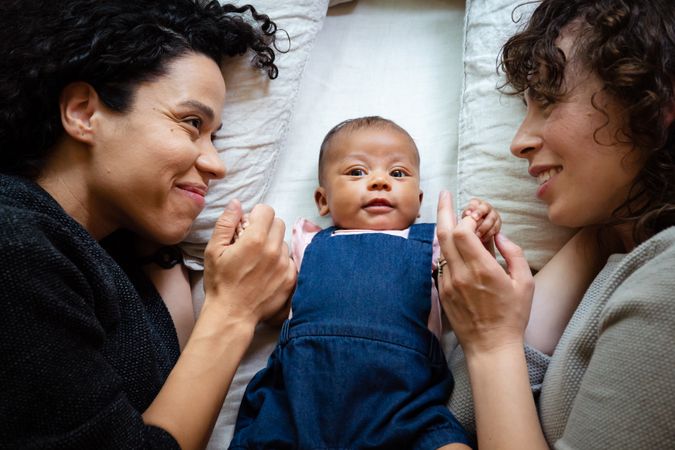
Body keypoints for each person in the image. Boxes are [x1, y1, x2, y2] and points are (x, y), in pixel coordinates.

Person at [0, 1, 296, 449]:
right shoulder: (14, 240)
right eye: (191, 123)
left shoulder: (122, 255)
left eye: (214, 136)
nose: (216, 164)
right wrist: (233, 311)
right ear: (83, 112)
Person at [228, 116, 585, 449]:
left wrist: (479, 232)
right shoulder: (307, 242)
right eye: (356, 171)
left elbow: (473, 288)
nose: (380, 180)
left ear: (418, 202)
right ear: (323, 200)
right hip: (298, 397)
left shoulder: (432, 242)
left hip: (405, 406)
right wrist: (247, 250)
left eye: (398, 173)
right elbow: (276, 308)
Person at [437, 0, 675, 448]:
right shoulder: (616, 254)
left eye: (547, 99)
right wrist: (601, 232)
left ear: (657, 99)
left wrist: (492, 343)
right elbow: (460, 415)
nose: (518, 142)